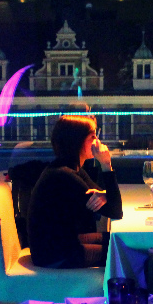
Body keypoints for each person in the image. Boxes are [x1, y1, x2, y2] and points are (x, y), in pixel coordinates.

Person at [28, 114, 123, 268]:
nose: (97, 142)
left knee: (119, 239)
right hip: (54, 254)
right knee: (122, 251)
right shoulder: (64, 175)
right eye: (92, 137)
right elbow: (116, 211)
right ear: (77, 141)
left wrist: (105, 194)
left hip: (63, 242)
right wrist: (106, 164)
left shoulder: (71, 168)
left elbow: (108, 199)